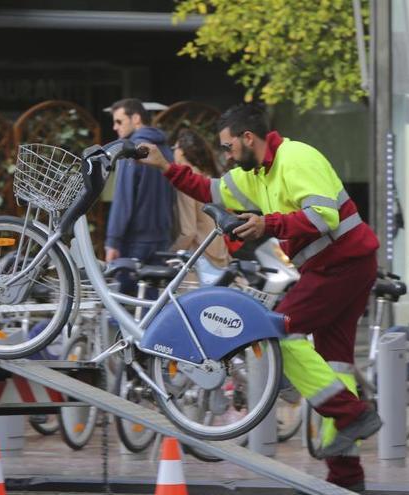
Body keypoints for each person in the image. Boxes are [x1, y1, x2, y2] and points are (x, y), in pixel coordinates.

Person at [138, 103, 380, 493]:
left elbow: (325, 217)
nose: (227, 156)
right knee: (336, 364)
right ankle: (346, 477)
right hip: (336, 267)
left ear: (249, 138)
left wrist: (268, 224)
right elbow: (211, 190)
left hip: (342, 265)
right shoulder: (256, 176)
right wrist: (165, 167)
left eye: (229, 147)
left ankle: (351, 414)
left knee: (277, 331)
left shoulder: (296, 157)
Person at [105, 98, 176, 293]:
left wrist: (113, 241)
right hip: (162, 238)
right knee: (152, 305)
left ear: (136, 118)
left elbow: (123, 199)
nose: (114, 127)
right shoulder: (166, 150)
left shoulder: (132, 150)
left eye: (119, 121)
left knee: (124, 307)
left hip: (135, 242)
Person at [169, 128, 230, 267]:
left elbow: (188, 231)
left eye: (175, 148)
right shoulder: (206, 176)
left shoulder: (186, 181)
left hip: (200, 260)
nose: (173, 152)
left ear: (182, 151)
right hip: (219, 253)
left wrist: (171, 254)